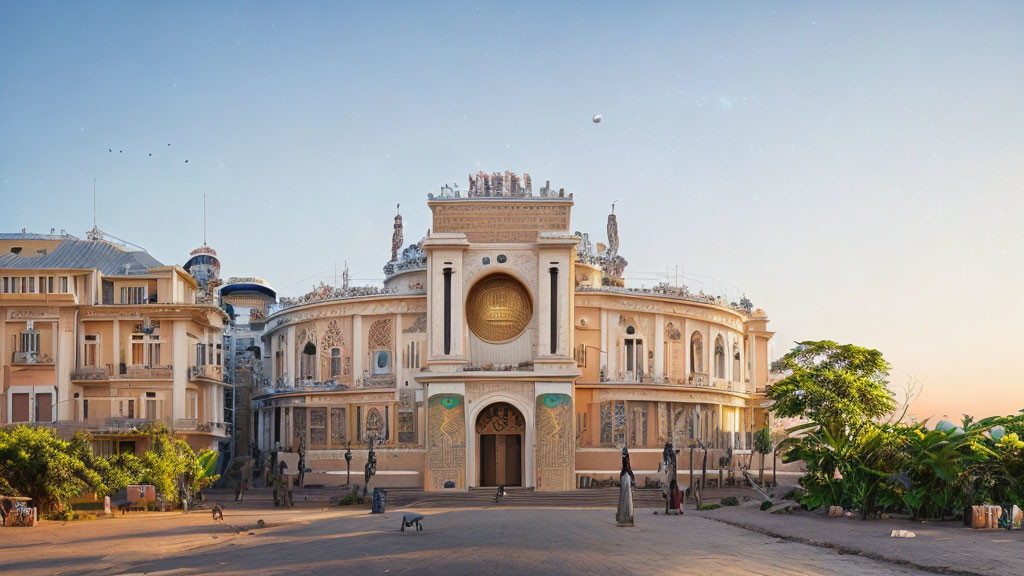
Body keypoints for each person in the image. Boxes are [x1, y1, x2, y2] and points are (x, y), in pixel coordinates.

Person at [616, 447, 636, 526]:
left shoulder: (625, 458)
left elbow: (626, 468)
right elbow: (627, 467)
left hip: (625, 477)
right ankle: (626, 515)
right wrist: (632, 476)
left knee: (625, 495)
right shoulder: (626, 458)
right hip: (626, 477)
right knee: (626, 495)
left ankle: (625, 515)